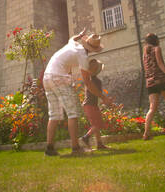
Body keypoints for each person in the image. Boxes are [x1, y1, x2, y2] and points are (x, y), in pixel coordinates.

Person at [42, 28, 112, 156]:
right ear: (92, 49)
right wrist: (103, 97)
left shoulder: (73, 44)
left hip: (47, 77)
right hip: (58, 77)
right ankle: (75, 148)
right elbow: (88, 82)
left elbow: (72, 38)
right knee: (72, 112)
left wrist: (80, 35)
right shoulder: (83, 56)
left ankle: (49, 148)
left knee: (54, 114)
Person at [141, 33, 165, 140]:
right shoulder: (157, 49)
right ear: (156, 40)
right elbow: (160, 64)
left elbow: (147, 68)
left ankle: (146, 133)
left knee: (152, 108)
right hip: (161, 80)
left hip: (150, 82)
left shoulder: (145, 53)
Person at [80, 59, 109, 150]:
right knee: (98, 125)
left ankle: (99, 144)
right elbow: (99, 94)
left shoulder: (88, 79)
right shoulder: (97, 81)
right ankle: (86, 137)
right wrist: (106, 100)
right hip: (91, 105)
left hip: (87, 105)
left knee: (95, 125)